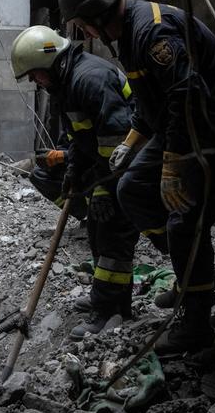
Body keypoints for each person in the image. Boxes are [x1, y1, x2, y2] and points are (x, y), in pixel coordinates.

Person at [58, 0, 215, 354]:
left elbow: (186, 94)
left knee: (184, 219)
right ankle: (190, 273)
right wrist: (133, 138)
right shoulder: (126, 32)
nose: (84, 34)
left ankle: (196, 321)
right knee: (133, 189)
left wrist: (172, 164)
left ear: (98, 16)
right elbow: (151, 98)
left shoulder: (152, 32)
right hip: (185, 125)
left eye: (82, 25)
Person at [10, 25, 142, 339]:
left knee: (112, 237)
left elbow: (116, 144)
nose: (34, 81)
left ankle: (108, 311)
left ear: (51, 63)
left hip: (130, 167)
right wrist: (73, 170)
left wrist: (102, 189)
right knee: (99, 233)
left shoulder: (89, 80)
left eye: (35, 74)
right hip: (107, 164)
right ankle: (109, 300)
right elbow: (84, 139)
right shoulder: (68, 83)